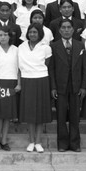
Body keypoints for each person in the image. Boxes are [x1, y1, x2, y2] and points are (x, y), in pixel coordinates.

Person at [49, 19, 86, 152]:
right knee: (60, 117)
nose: (66, 30)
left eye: (69, 27)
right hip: (60, 86)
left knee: (75, 116)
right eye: (63, 28)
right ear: (59, 30)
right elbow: (52, 69)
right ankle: (62, 144)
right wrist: (53, 87)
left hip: (76, 86)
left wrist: (83, 86)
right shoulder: (54, 46)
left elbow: (85, 68)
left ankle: (75, 144)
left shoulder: (80, 45)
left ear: (73, 29)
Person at [18, 23, 52, 153]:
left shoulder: (46, 48)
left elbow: (47, 65)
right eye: (30, 32)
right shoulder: (21, 47)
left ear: (40, 34)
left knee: (40, 113)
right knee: (30, 113)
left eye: (35, 32)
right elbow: (19, 67)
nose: (32, 34)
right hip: (27, 80)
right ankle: (31, 141)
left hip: (41, 80)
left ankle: (38, 141)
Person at [0, 27, 20, 151]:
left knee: (7, 115)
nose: (3, 37)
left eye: (5, 35)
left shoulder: (16, 50)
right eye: (0, 35)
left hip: (12, 83)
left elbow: (19, 69)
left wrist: (19, 83)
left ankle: (4, 140)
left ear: (10, 36)